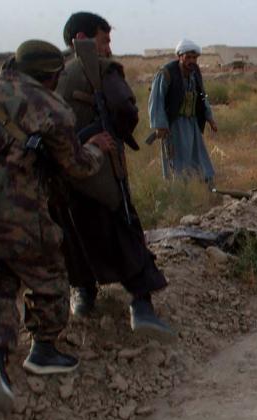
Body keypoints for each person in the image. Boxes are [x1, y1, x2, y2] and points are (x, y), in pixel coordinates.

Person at [0, 40, 114, 414]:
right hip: (16, 210)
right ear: (51, 77)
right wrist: (96, 147)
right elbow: (76, 165)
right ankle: (43, 348)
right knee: (48, 273)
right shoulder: (50, 106)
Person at [54, 11, 173, 335]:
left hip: (62, 180)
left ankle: (84, 296)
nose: (108, 48)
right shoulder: (101, 69)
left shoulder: (51, 72)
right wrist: (114, 135)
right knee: (124, 232)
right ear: (82, 39)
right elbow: (125, 109)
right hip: (102, 173)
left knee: (73, 240)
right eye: (104, 40)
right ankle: (141, 306)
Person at [147, 39, 218, 185]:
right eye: (188, 57)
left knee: (199, 157)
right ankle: (180, 192)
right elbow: (156, 99)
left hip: (192, 124)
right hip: (174, 125)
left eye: (194, 58)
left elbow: (202, 95)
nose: (192, 61)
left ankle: (204, 187)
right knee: (178, 161)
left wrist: (209, 117)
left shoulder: (195, 73)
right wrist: (160, 125)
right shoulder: (166, 73)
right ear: (180, 56)